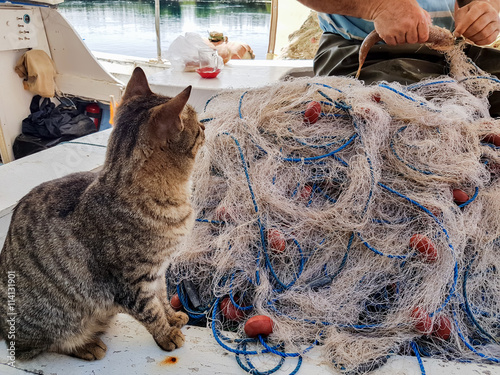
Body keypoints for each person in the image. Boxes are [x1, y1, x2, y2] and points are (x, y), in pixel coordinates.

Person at [298, 0, 500, 116]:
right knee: (412, 115)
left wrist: (485, 10)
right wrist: (377, 6)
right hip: (361, 49)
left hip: (452, 49)